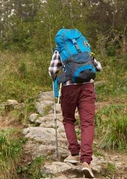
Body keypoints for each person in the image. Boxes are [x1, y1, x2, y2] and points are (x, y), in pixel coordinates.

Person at [48, 46, 102, 178]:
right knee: (87, 123)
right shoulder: (84, 49)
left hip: (69, 88)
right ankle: (86, 161)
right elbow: (98, 67)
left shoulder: (60, 50)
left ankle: (74, 153)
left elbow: (52, 70)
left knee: (68, 120)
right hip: (87, 87)